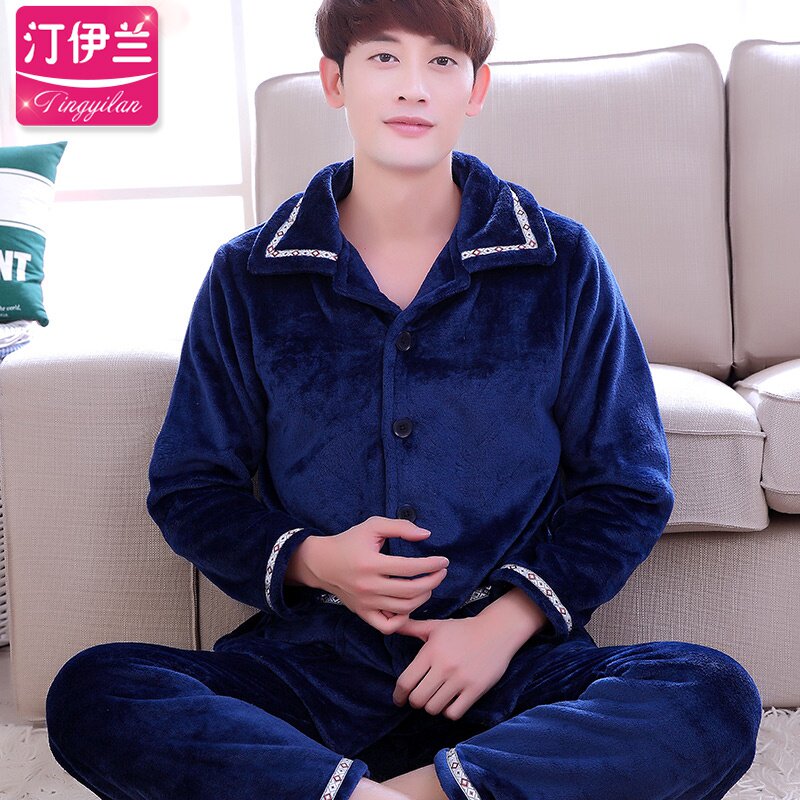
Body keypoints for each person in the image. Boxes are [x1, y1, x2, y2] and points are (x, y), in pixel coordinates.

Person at [44, 2, 763, 799]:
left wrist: (502, 626)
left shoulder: (560, 263)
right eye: (384, 58)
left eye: (442, 61)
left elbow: (627, 485)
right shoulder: (248, 277)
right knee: (95, 691)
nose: (413, 87)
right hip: (310, 667)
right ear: (334, 81)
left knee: (710, 694)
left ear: (476, 88)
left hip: (510, 673)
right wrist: (316, 560)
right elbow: (191, 486)